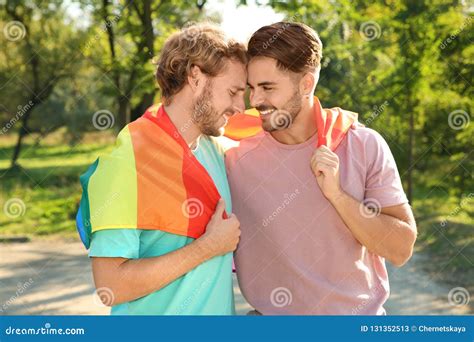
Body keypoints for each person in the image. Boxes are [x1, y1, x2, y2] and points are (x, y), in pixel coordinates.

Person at [225, 22, 417, 315]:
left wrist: (337, 196)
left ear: (306, 84)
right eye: (251, 88)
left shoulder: (362, 145)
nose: (256, 101)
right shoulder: (233, 158)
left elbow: (401, 249)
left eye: (267, 87)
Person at [76, 23, 247, 315]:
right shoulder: (129, 161)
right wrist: (207, 247)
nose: (241, 107)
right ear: (196, 77)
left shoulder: (215, 150)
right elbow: (111, 286)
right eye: (233, 92)